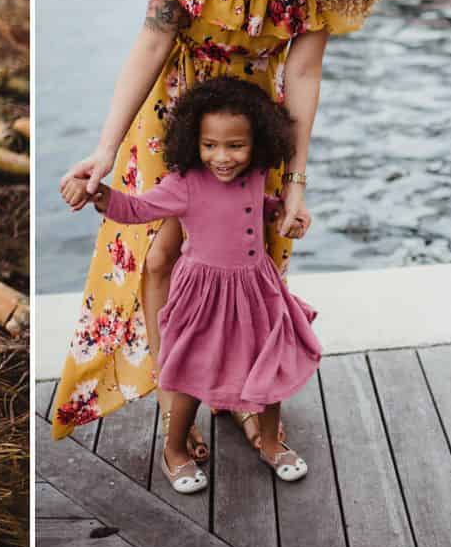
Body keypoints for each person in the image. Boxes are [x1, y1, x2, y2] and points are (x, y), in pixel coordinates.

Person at [51, 0, 397, 464]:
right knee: (160, 253)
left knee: (250, 260)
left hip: (254, 126)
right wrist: (105, 148)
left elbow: (304, 72)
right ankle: (175, 392)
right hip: (181, 117)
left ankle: (242, 391)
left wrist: (295, 181)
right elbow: (153, 39)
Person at [65, 77, 321, 492]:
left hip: (256, 290)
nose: (223, 157)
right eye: (210, 145)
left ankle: (272, 442)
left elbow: (255, 207)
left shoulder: (255, 174)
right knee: (188, 376)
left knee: (268, 365)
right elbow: (138, 208)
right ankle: (175, 449)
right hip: (202, 296)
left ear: (258, 142)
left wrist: (279, 213)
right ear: (193, 141)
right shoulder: (185, 184)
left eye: (235, 146)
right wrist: (99, 195)